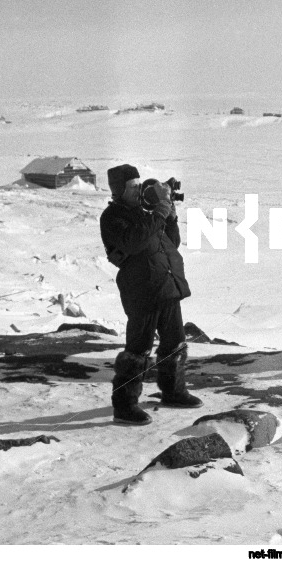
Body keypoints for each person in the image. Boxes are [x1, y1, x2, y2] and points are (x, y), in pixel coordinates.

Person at [100, 164, 202, 425]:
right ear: (118, 190)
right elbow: (134, 242)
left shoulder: (146, 213)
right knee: (138, 350)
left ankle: (173, 392)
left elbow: (171, 243)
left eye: (138, 184)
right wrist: (159, 212)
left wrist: (170, 216)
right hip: (141, 289)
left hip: (166, 285)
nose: (138, 189)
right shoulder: (112, 217)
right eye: (132, 186)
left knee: (174, 343)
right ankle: (124, 406)